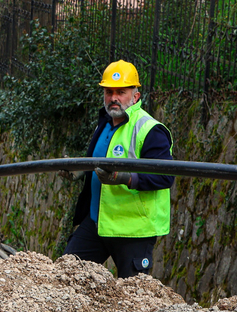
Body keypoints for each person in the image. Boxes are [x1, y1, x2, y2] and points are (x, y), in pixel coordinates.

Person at [63, 60, 175, 279]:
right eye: (109, 91)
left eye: (120, 92)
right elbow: (96, 163)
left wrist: (125, 178)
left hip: (132, 230)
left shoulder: (150, 130)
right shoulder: (105, 124)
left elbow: (165, 176)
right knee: (65, 275)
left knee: (133, 297)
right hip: (98, 222)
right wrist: (79, 171)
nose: (113, 98)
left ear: (135, 96)